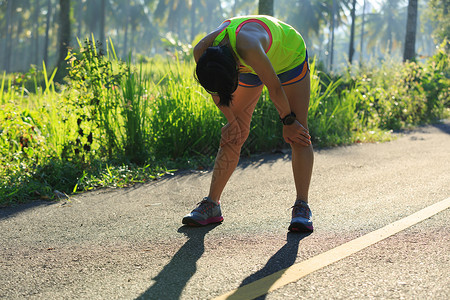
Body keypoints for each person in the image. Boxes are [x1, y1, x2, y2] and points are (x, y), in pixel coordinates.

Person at [182, 15, 314, 232]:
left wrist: (288, 121)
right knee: (235, 133)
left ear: (234, 69)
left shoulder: (249, 46)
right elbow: (217, 91)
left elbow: (275, 89)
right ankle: (212, 204)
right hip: (248, 66)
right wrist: (232, 121)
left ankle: (302, 206)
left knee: (298, 132)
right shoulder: (202, 52)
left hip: (287, 58)